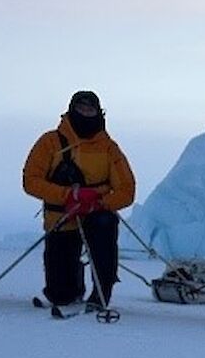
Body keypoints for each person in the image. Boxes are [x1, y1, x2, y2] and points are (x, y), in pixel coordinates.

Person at [21, 91, 137, 310]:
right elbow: (31, 181)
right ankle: (70, 291)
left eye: (90, 110)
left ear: (98, 113)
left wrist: (100, 204)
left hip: (96, 213)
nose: (85, 114)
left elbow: (127, 189)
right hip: (61, 216)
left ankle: (101, 294)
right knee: (60, 295)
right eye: (80, 109)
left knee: (104, 232)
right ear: (71, 110)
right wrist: (68, 195)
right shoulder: (50, 142)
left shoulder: (109, 148)